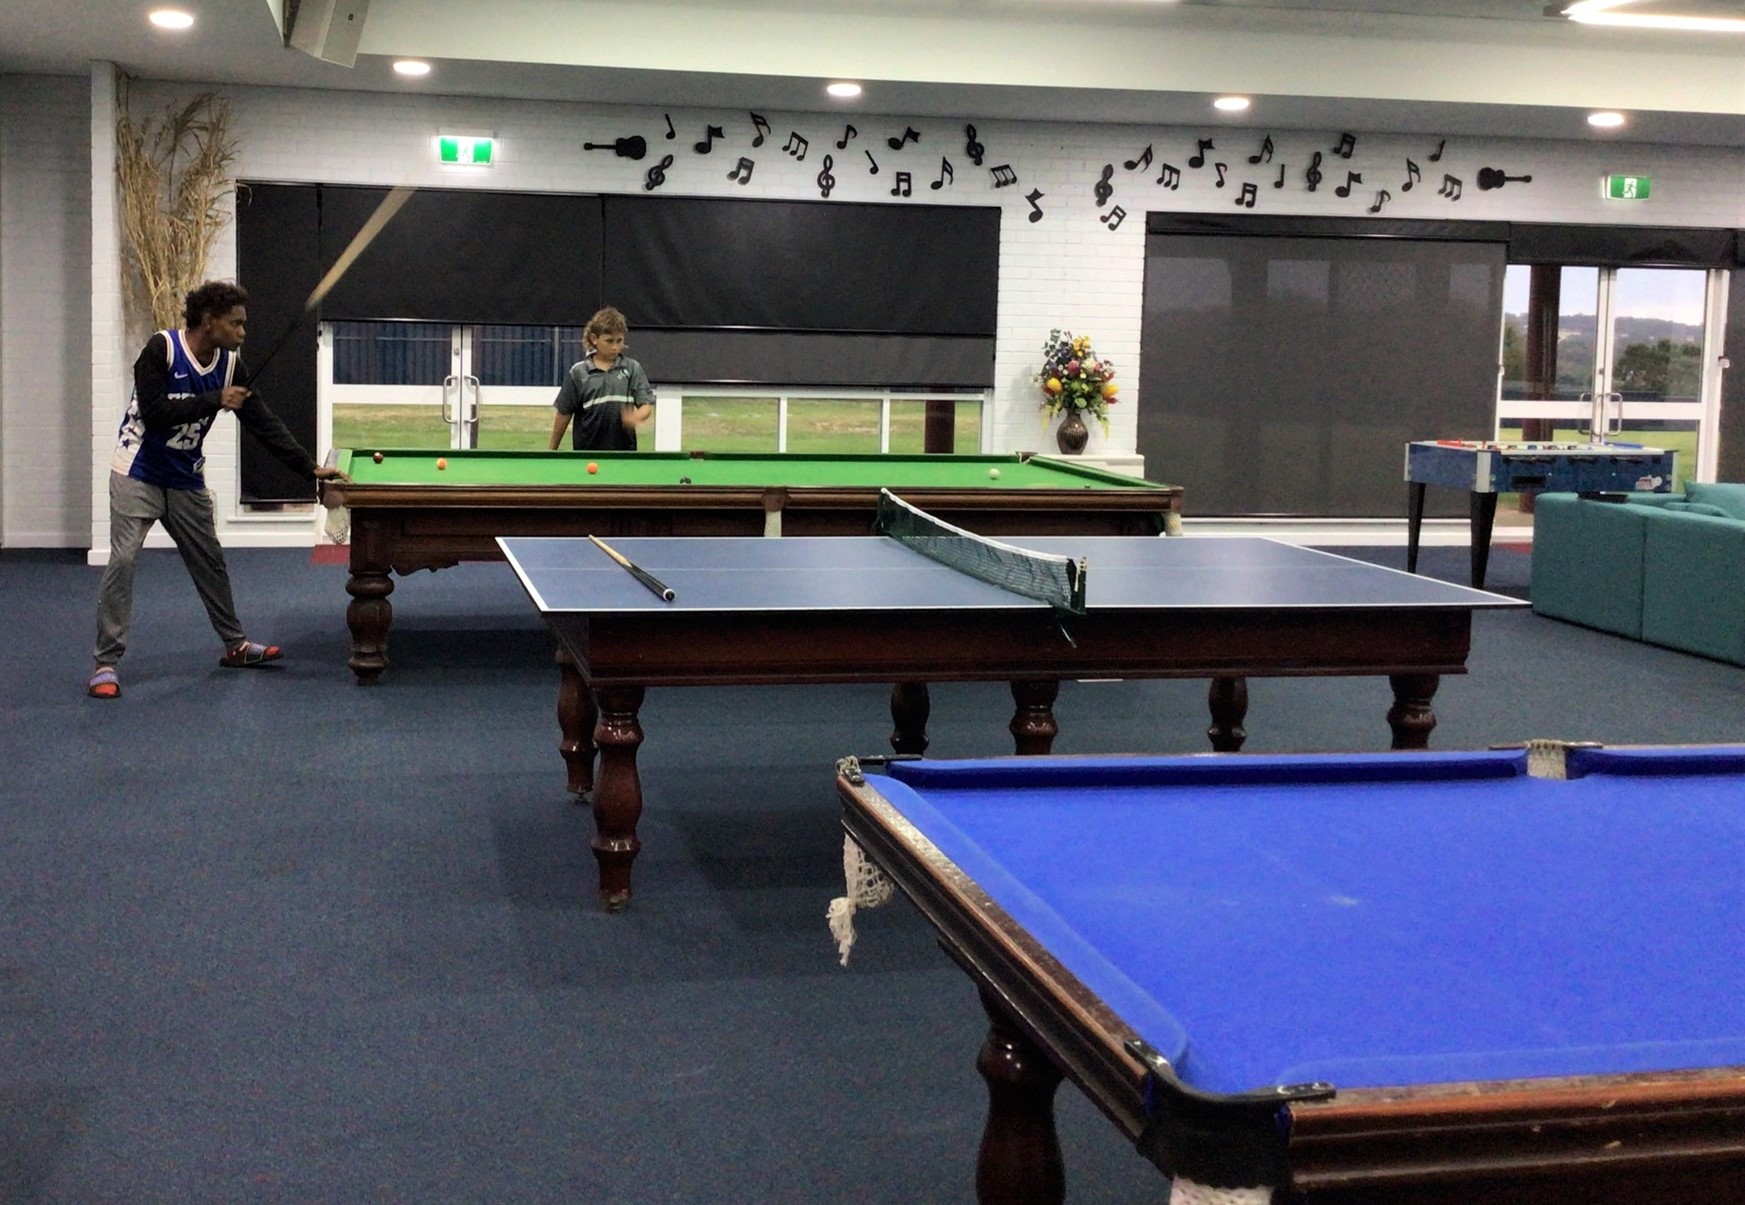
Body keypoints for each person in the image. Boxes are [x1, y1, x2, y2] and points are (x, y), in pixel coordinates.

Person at [88, 280, 348, 699]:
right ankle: (105, 663)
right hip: (137, 472)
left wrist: (309, 469)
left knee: (210, 561)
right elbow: (154, 413)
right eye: (236, 324)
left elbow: (265, 425)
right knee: (122, 560)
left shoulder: (230, 368)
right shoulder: (162, 350)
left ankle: (236, 646)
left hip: (186, 478)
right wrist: (215, 400)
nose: (243, 332)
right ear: (209, 322)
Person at [547, 306, 656, 452]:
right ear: (594, 339)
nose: (615, 347)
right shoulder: (579, 373)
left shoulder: (632, 368)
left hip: (625, 454)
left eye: (619, 341)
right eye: (609, 341)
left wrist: (636, 417)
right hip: (586, 453)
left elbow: (645, 405)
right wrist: (551, 451)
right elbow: (564, 413)